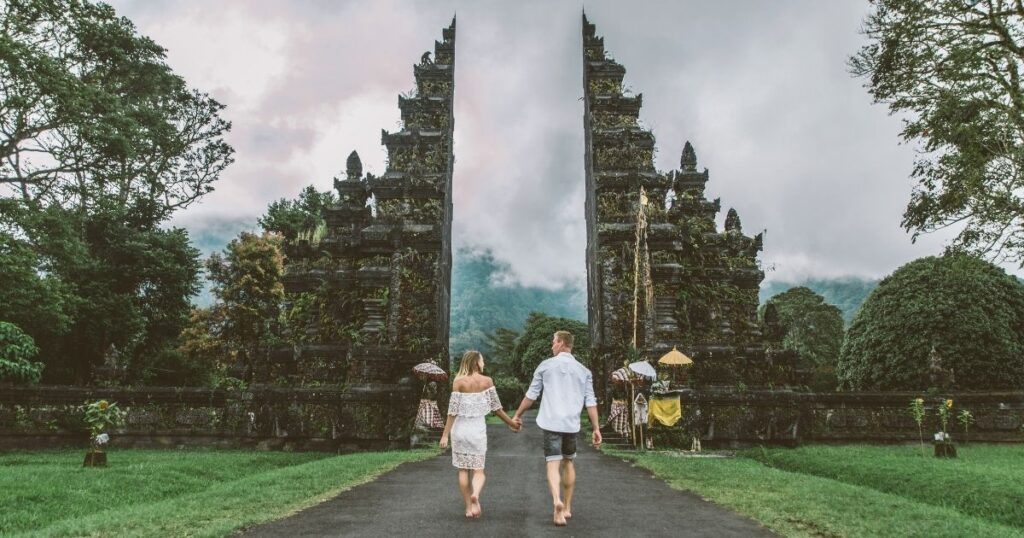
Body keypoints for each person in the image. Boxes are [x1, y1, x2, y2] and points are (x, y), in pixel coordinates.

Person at [512, 331, 601, 527]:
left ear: (561, 343)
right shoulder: (584, 371)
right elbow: (591, 402)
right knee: (568, 463)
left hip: (551, 422)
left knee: (553, 464)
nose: (552, 346)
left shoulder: (545, 366)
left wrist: (517, 415)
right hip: (571, 424)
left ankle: (556, 502)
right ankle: (567, 507)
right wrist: (596, 428)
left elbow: (531, 395)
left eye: (553, 342)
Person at [439, 350, 520, 518]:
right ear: (476, 362)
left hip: (460, 430)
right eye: (482, 361)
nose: (484, 364)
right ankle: (476, 493)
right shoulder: (487, 381)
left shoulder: (459, 381)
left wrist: (445, 435)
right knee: (478, 470)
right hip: (477, 430)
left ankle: (469, 508)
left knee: (463, 470)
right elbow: (496, 408)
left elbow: (452, 411)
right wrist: (512, 423)